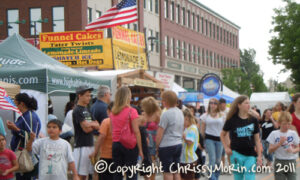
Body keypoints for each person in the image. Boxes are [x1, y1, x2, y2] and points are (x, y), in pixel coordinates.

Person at [220, 95, 262, 180]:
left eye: (249, 103)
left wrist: (259, 156)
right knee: (238, 178)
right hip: (236, 154)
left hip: (250, 154)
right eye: (246, 103)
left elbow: (257, 140)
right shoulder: (231, 119)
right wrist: (226, 148)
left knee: (250, 177)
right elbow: (222, 134)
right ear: (239, 105)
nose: (248, 105)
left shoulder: (253, 120)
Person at [110, 86, 143, 180]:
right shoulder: (132, 111)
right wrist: (140, 149)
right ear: (128, 97)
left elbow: (112, 131)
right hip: (130, 145)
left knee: (117, 172)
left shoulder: (113, 112)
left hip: (116, 144)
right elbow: (136, 131)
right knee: (131, 173)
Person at [6, 93, 41, 180]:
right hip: (20, 155)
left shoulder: (29, 116)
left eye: (15, 104)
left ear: (22, 104)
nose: (14, 106)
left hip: (27, 156)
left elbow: (31, 136)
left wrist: (15, 128)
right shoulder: (24, 116)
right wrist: (15, 127)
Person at [72, 85, 99, 180]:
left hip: (90, 144)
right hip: (81, 146)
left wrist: (90, 124)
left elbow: (97, 124)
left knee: (87, 174)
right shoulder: (77, 110)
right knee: (80, 175)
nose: (89, 98)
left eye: (90, 95)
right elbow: (85, 128)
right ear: (80, 96)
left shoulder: (88, 109)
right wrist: (92, 125)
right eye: (87, 95)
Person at [156, 90, 184, 180]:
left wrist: (157, 146)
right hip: (178, 144)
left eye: (162, 99)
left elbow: (160, 132)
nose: (161, 101)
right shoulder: (180, 112)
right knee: (176, 171)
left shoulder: (166, 114)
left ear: (166, 101)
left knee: (167, 172)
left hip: (167, 145)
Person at [267, 111, 299, 180]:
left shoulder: (293, 133)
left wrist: (293, 150)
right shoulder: (274, 134)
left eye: (289, 124)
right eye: (284, 124)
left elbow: (298, 147)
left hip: (291, 161)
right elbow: (269, 150)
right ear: (279, 123)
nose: (287, 126)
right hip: (279, 161)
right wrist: (279, 144)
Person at [200, 98, 224, 180]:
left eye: (215, 103)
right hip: (209, 139)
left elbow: (225, 129)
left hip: (220, 140)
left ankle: (216, 176)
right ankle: (212, 177)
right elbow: (202, 130)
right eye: (211, 103)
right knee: (212, 158)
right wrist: (202, 141)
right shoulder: (205, 115)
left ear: (217, 105)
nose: (213, 105)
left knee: (218, 160)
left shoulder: (222, 115)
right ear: (209, 104)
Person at [89, 102, 114, 180]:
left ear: (108, 110)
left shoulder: (106, 122)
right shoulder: (122, 122)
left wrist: (95, 152)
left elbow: (101, 137)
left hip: (106, 156)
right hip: (118, 156)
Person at [140, 97, 161, 180]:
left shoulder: (157, 115)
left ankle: (151, 179)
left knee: (151, 162)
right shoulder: (147, 114)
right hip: (146, 139)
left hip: (152, 140)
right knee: (145, 162)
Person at [180, 109, 199, 180]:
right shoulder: (186, 128)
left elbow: (190, 142)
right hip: (184, 159)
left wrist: (183, 136)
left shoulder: (192, 128)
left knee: (188, 177)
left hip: (189, 159)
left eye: (182, 120)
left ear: (187, 118)